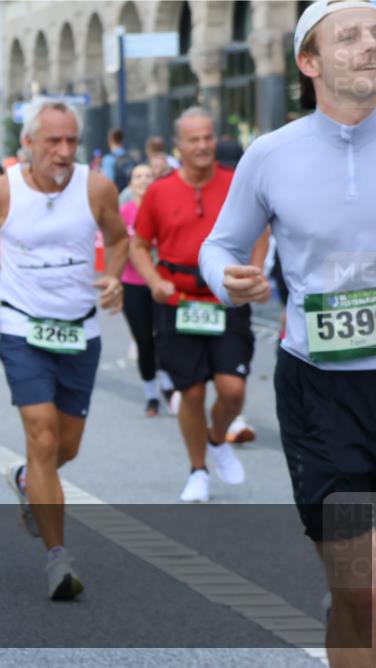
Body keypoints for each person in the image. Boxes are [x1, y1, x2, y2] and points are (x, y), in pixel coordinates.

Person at [200, 2, 376, 665]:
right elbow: (222, 244)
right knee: (366, 595)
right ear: (309, 62)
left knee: (372, 600)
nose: (371, 45)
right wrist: (227, 277)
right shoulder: (272, 154)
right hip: (321, 392)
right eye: (350, 37)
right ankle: (350, 603)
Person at [0, 98, 128, 600]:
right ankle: (58, 558)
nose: (64, 151)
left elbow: (120, 239)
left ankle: (26, 479)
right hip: (22, 329)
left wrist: (114, 276)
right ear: (28, 143)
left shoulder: (96, 188)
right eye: (53, 141)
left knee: (64, 448)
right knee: (43, 434)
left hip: (80, 333)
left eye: (72, 140)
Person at [130, 106, 268, 503]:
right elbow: (139, 245)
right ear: (179, 145)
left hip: (227, 298)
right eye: (194, 140)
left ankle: (216, 438)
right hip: (178, 301)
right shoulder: (159, 191)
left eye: (208, 137)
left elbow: (261, 231)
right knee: (190, 393)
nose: (203, 146)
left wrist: (256, 272)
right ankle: (198, 470)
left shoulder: (236, 182)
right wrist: (154, 281)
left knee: (232, 389)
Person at [119, 163, 175, 415]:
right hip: (133, 285)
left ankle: (168, 384)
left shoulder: (164, 210)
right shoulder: (124, 213)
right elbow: (117, 248)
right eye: (138, 176)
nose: (143, 180)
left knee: (165, 338)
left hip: (162, 284)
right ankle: (151, 394)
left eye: (148, 176)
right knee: (144, 341)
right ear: (130, 184)